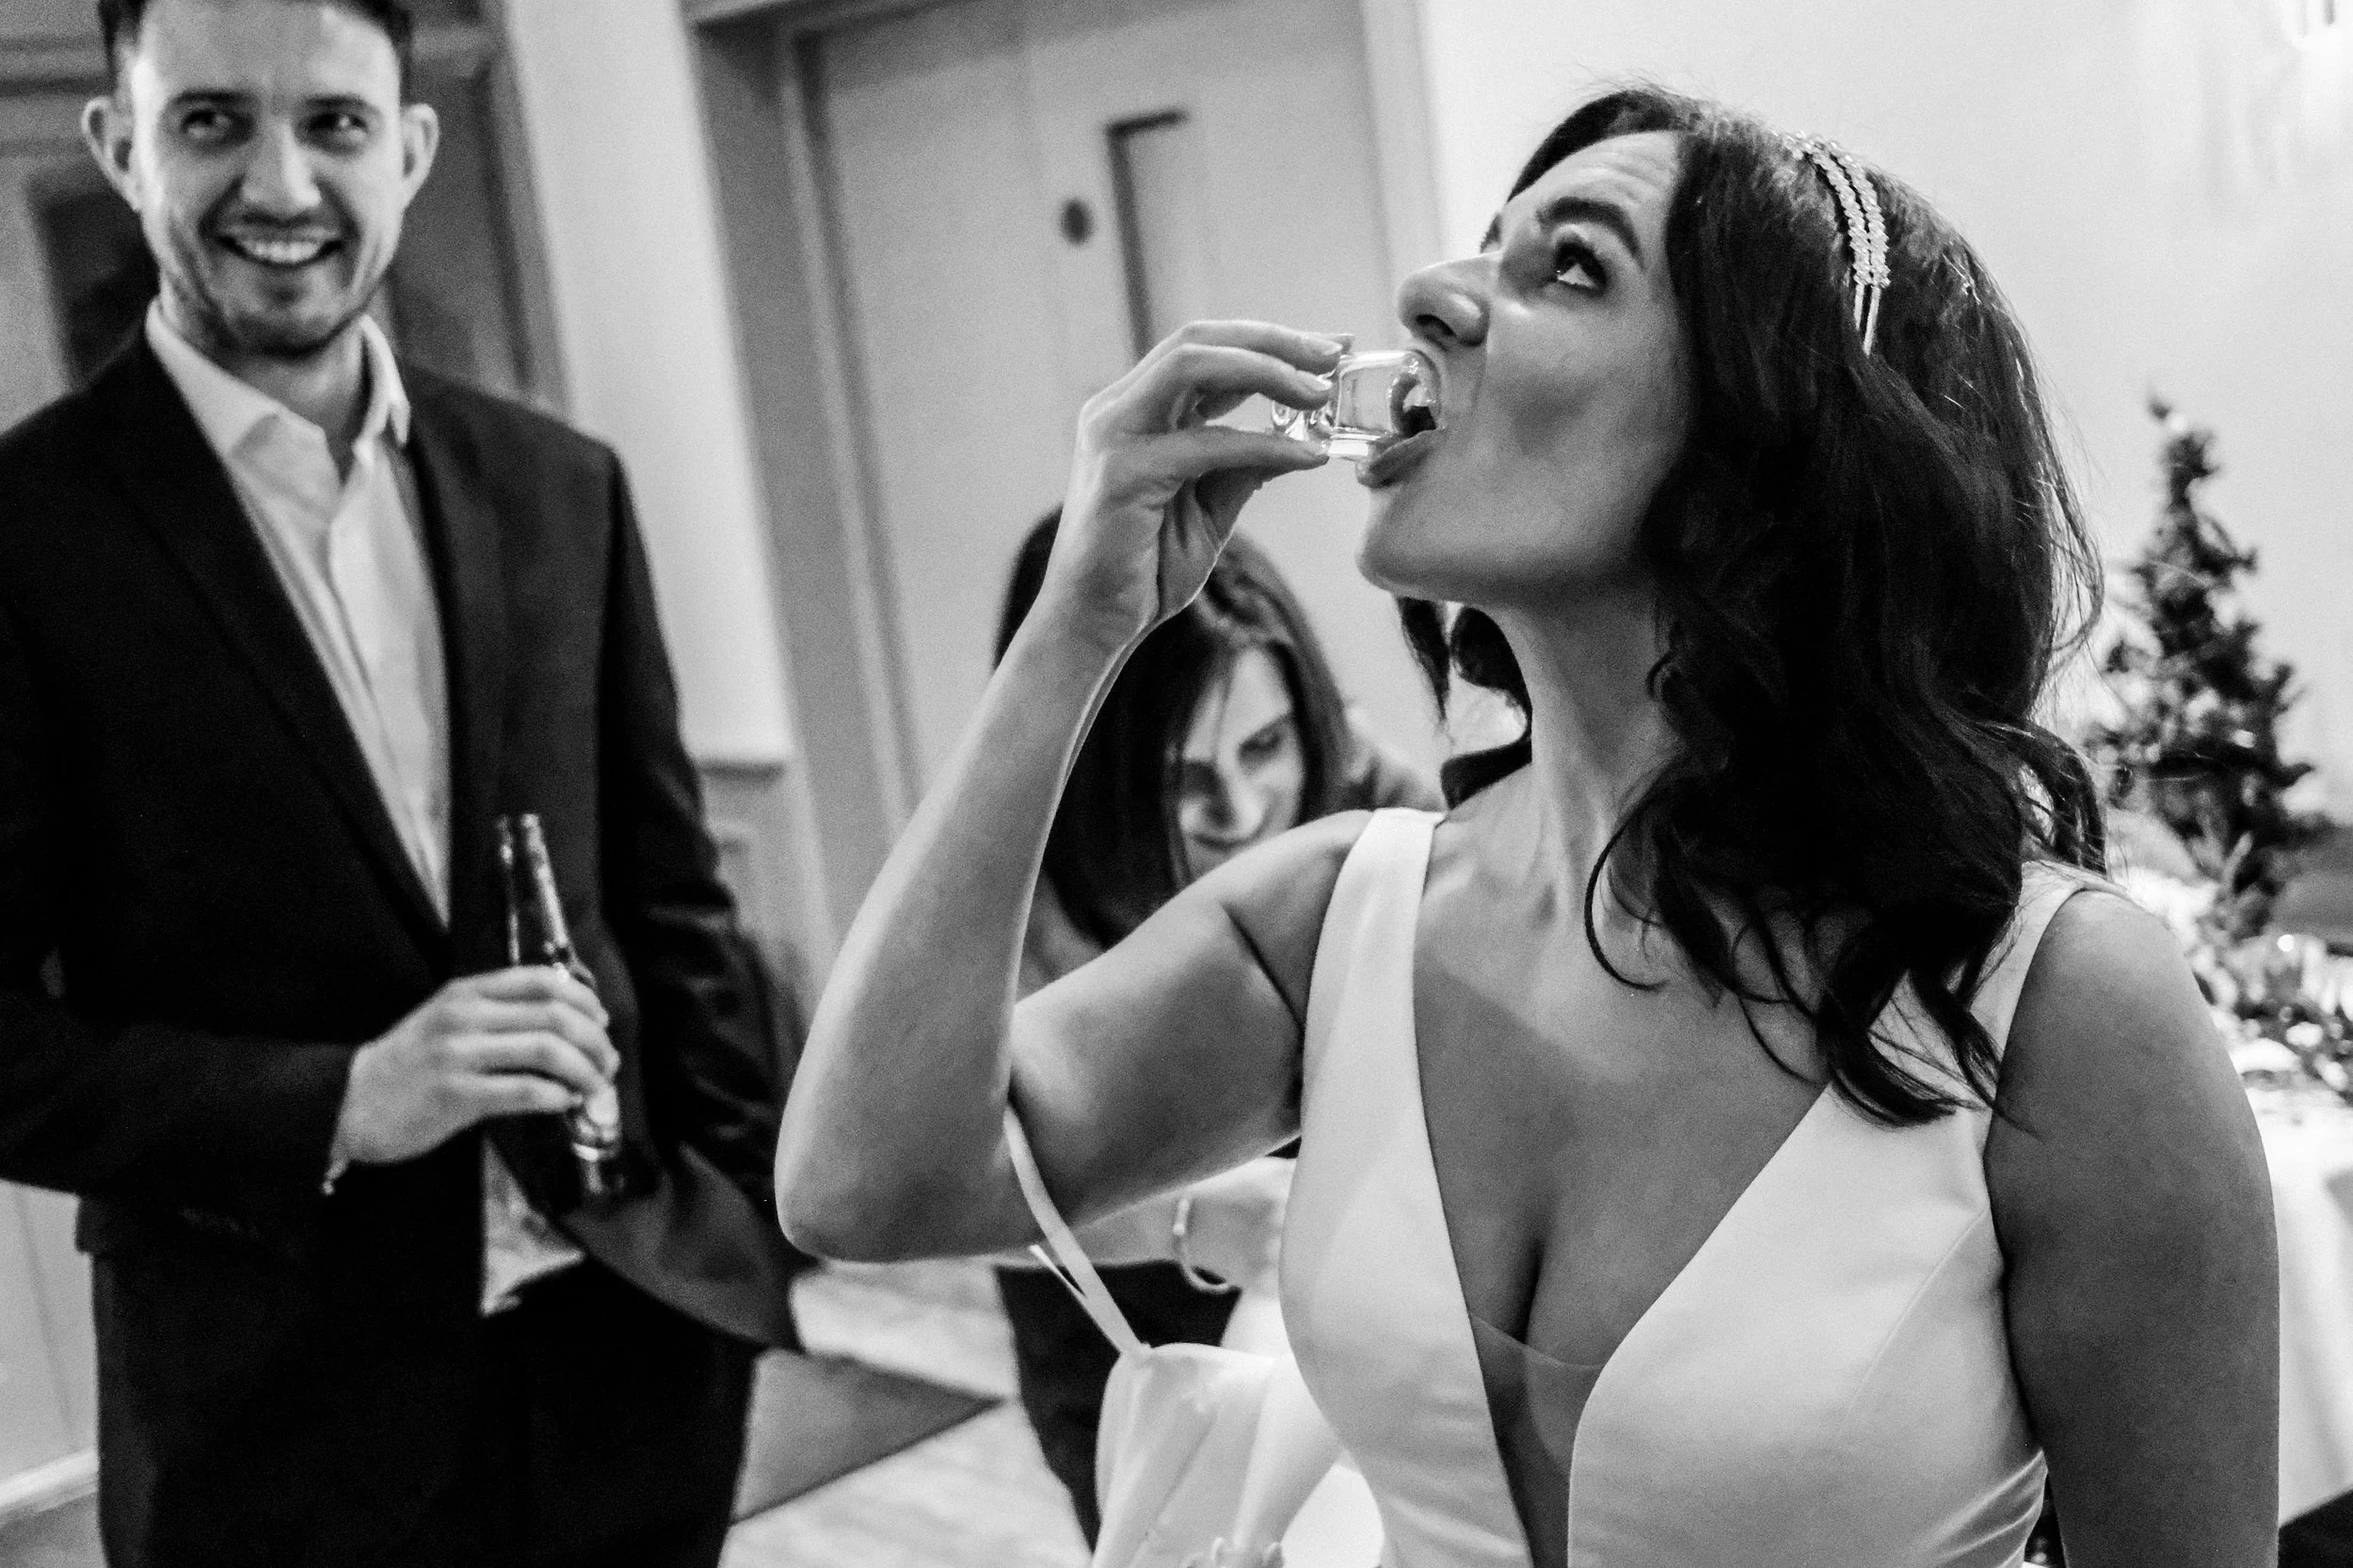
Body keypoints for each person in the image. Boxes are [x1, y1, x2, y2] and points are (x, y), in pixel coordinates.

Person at [777, 84, 2281, 1567]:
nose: (1433, 291)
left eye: (1571, 264)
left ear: (1770, 446)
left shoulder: (2061, 1010)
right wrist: (1076, 632)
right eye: (1484, 245)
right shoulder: (1331, 921)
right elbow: (868, 1182)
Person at [0, 1, 805, 1562]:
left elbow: (671, 898)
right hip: (275, 1434)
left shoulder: (561, 484)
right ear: (119, 144)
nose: (284, 184)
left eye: (337, 124)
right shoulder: (25, 542)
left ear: (413, 148)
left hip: (626, 1367)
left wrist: (747, 1220)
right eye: (213, 120)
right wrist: (343, 1101)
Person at [987, 512, 1435, 1543]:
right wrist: (1186, 1217)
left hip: (1347, 1324)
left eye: (1267, 744)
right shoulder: (1019, 885)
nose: (1240, 808)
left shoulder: (1368, 788)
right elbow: (925, 1185)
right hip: (1131, 1332)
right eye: (1184, 777)